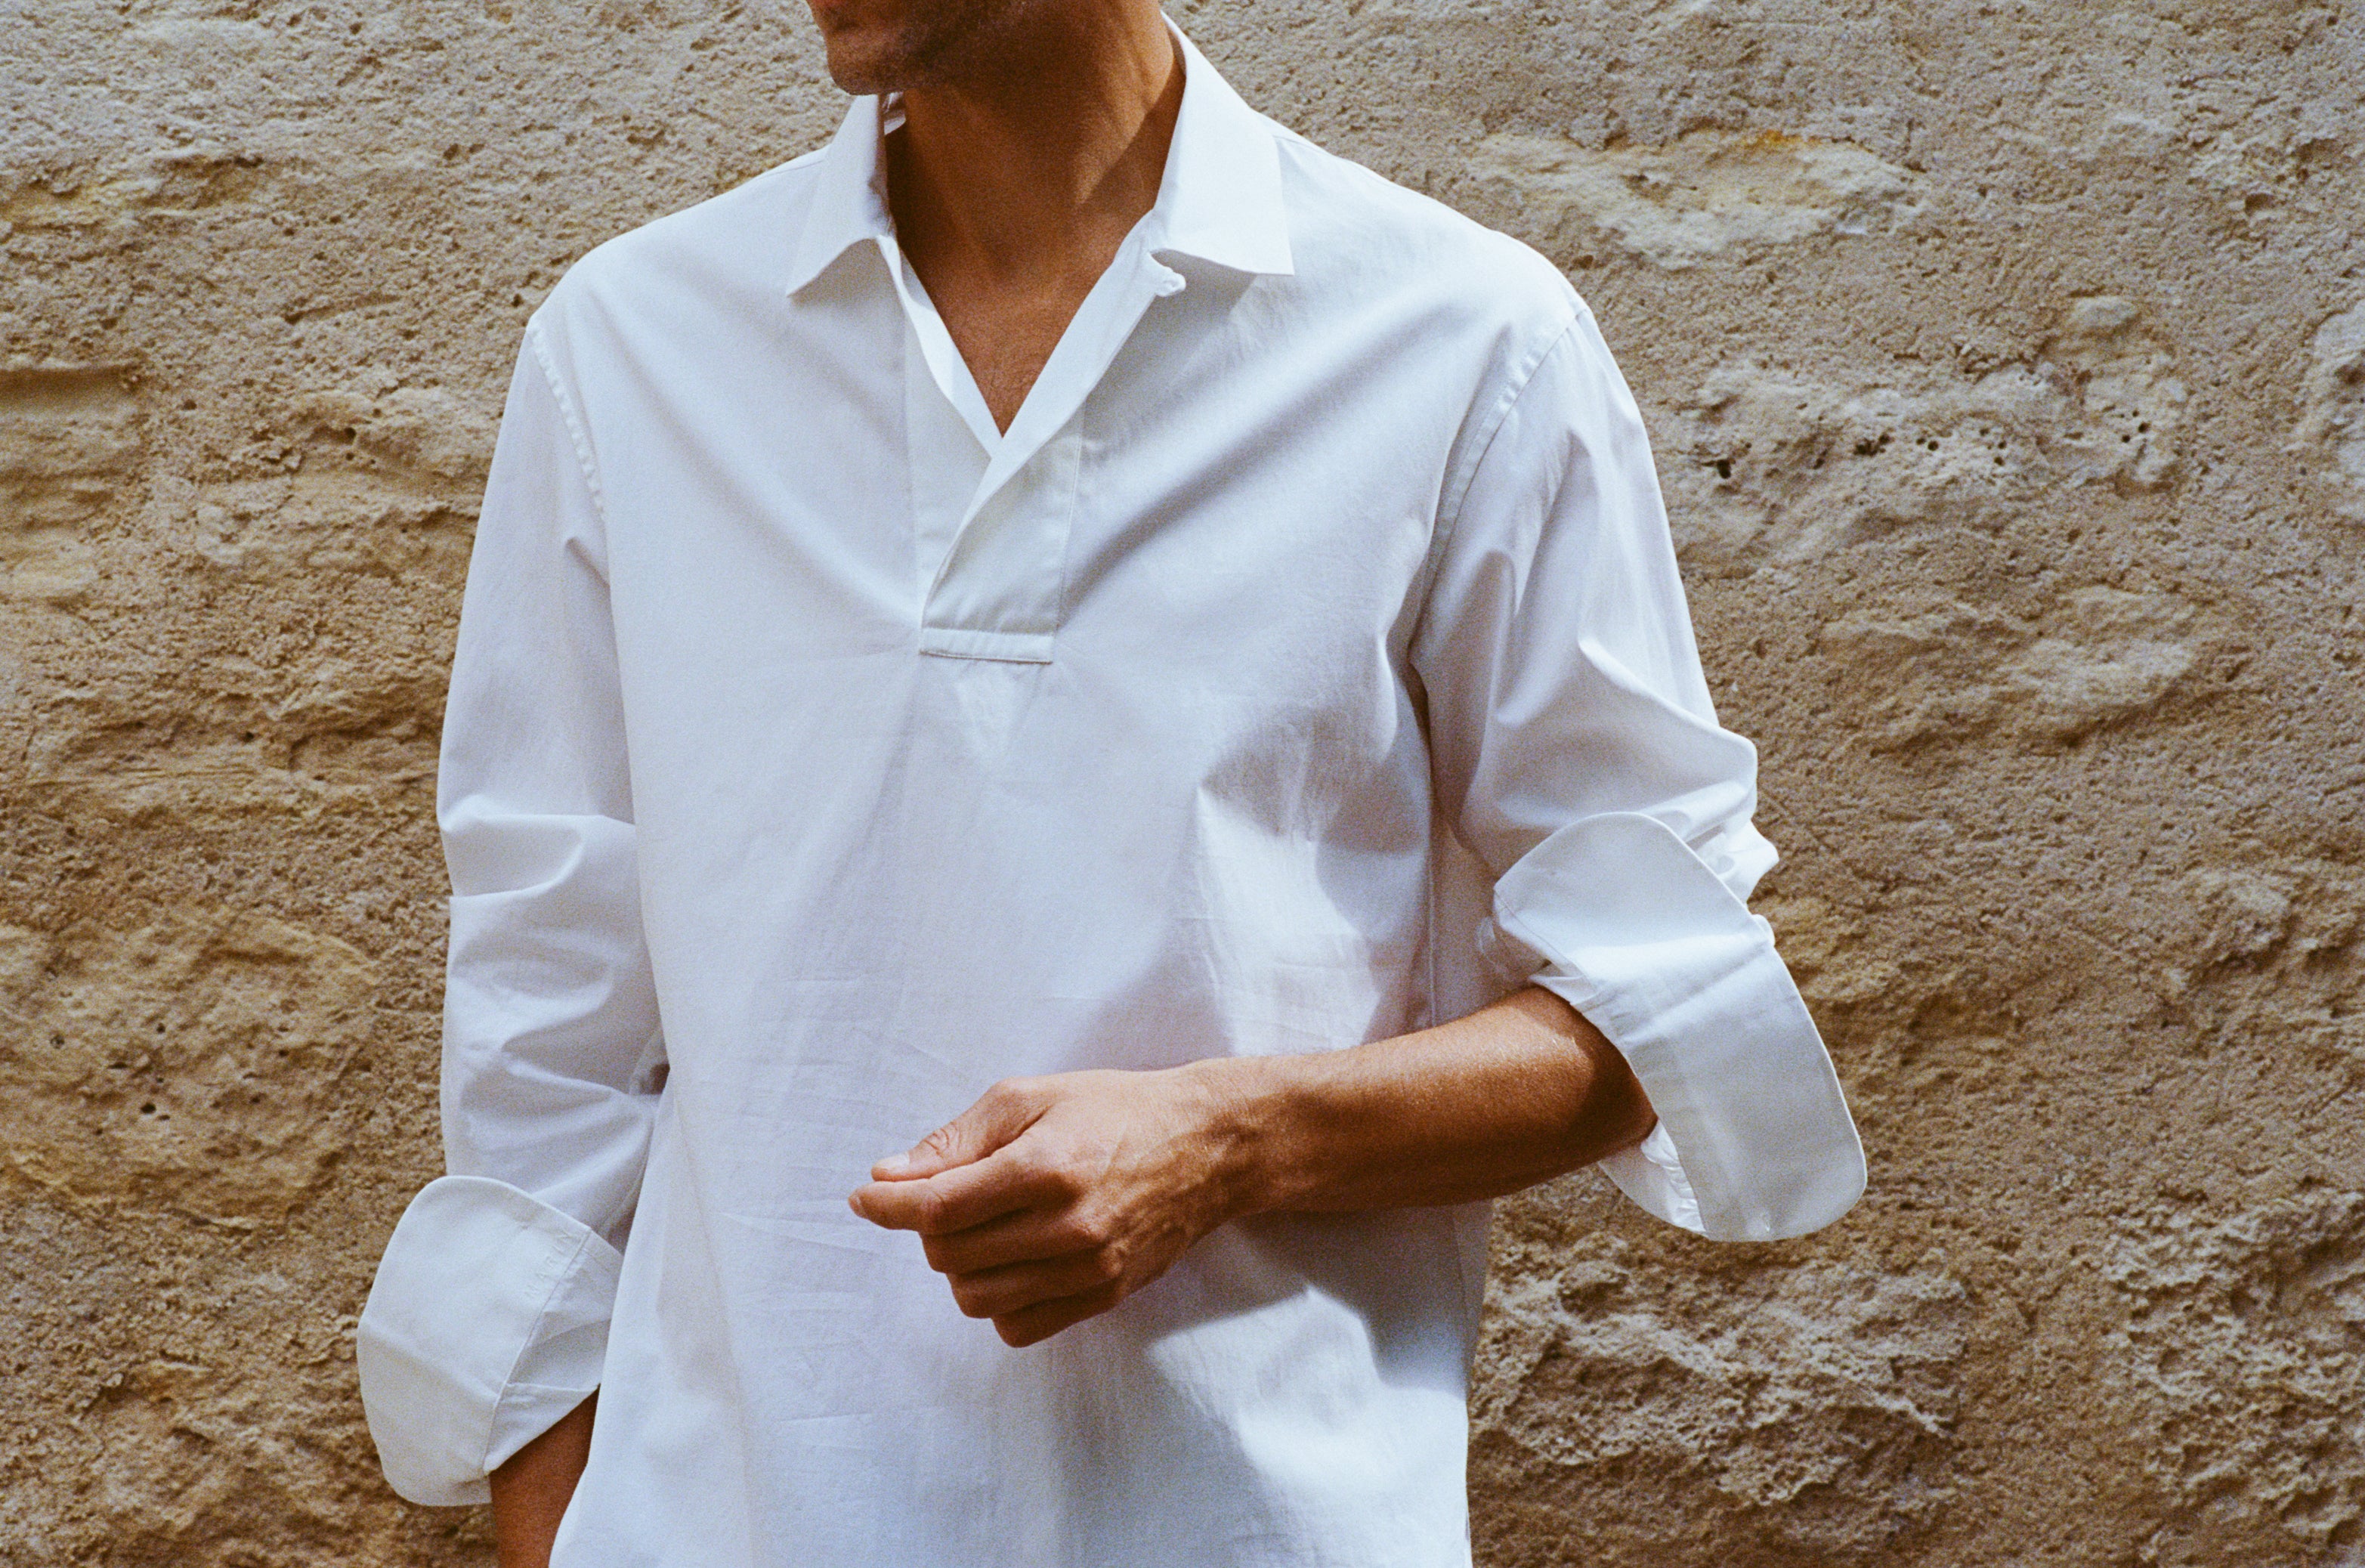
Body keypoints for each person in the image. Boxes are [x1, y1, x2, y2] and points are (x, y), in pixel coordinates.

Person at [354, 0, 1866, 1562]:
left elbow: (1657, 1023)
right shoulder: (633, 350)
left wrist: (1230, 1139)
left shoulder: (1463, 347)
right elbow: (546, 1062)